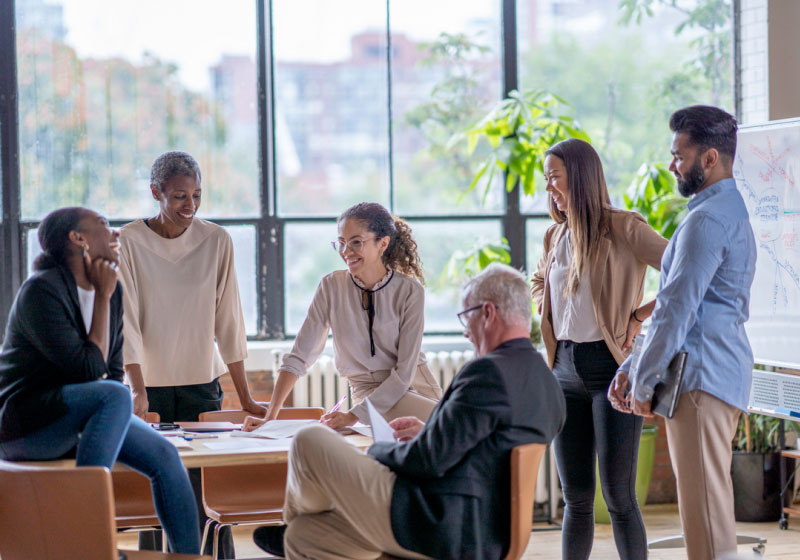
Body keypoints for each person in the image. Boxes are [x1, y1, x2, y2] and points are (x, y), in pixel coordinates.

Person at [247, 263, 566, 560]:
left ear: (487, 313)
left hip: (434, 523)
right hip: (486, 536)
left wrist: (376, 450)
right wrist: (431, 432)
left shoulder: (486, 373)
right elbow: (486, 450)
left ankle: (304, 513)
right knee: (304, 538)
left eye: (465, 317)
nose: (466, 331)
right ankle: (301, 523)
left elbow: (427, 460)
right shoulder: (548, 383)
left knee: (309, 439)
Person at [0, 207, 200, 554]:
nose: (116, 233)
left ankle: (188, 556)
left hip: (79, 415)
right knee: (115, 396)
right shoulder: (41, 292)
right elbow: (91, 371)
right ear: (78, 239)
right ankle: (86, 540)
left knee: (166, 455)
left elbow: (113, 367)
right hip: (25, 425)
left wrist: (108, 296)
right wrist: (103, 297)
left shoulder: (114, 292)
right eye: (103, 225)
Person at [609, 105, 756, 560]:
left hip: (700, 381)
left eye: (680, 155)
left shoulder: (707, 221)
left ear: (710, 158)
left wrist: (643, 378)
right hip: (712, 375)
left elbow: (676, 308)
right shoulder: (723, 210)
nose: (673, 165)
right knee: (707, 515)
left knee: (707, 524)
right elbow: (680, 302)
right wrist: (634, 364)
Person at [118, 151, 265, 557]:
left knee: (200, 496)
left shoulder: (216, 240)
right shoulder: (128, 241)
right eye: (180, 196)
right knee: (156, 496)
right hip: (150, 389)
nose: (191, 206)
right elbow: (126, 322)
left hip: (202, 385)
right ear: (156, 193)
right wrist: (137, 389)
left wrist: (247, 397)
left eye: (197, 195)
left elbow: (229, 321)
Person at [530, 138, 667, 559]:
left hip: (612, 369)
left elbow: (683, 270)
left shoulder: (623, 226)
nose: (549, 186)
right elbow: (539, 283)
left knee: (619, 497)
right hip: (563, 371)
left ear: (581, 176)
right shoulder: (556, 234)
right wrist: (546, 309)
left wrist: (637, 317)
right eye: (547, 178)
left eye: (555, 176)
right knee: (576, 498)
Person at [248, 202, 442, 432]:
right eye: (341, 243)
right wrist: (270, 418)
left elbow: (403, 375)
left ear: (383, 243)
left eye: (356, 242)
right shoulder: (331, 286)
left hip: (415, 387)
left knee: (453, 434)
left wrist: (352, 417)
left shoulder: (410, 291)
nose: (346, 251)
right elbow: (299, 356)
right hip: (368, 394)